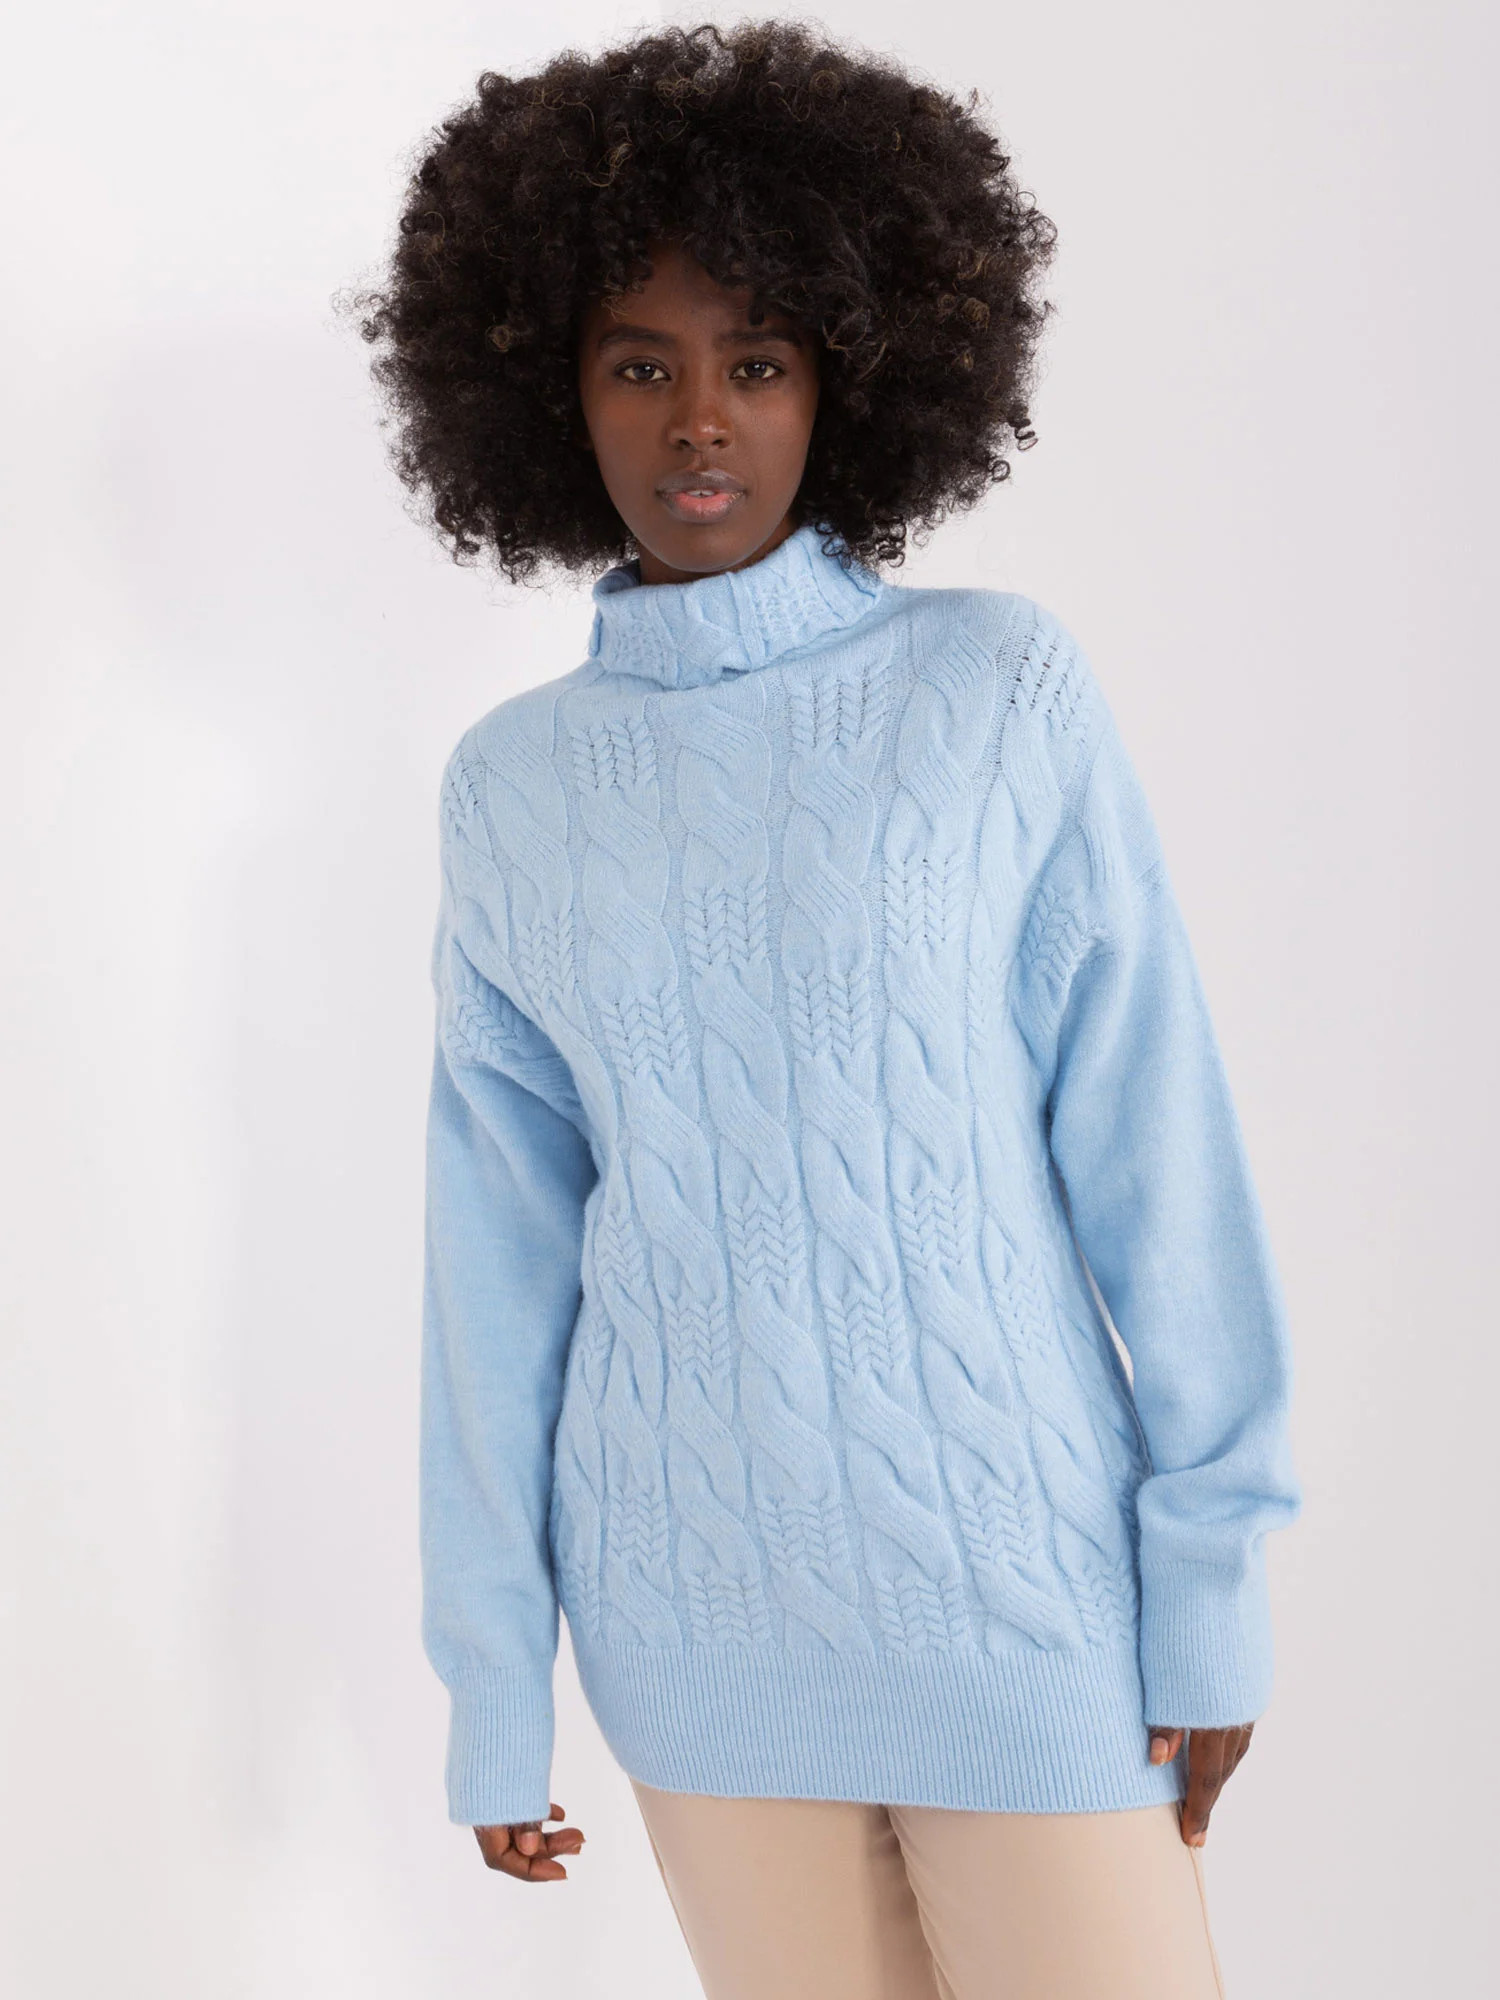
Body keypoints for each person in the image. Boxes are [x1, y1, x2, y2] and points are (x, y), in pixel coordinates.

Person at [360, 20, 1302, 1998]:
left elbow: (1156, 1141)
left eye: (760, 361)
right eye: (641, 365)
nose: (701, 419)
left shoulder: (996, 691)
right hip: (697, 1636)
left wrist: (1207, 1575)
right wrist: (493, 1678)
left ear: (853, 382)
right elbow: (494, 1271)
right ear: (547, 395)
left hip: (1025, 1604)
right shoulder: (511, 790)